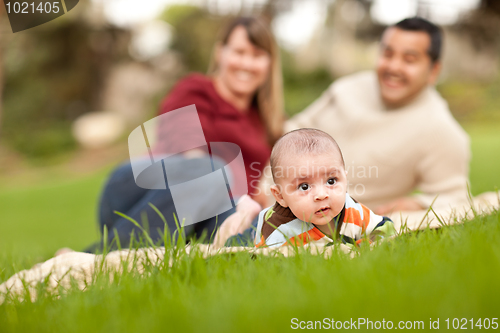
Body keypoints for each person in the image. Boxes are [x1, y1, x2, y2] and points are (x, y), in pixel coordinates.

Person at [216, 17, 471, 246]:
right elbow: (292, 131)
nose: (393, 66)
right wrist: (266, 185)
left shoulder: (440, 130)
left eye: (409, 59)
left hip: (329, 218)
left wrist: (416, 203)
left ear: (433, 70)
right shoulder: (347, 89)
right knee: (203, 186)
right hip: (268, 198)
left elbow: (456, 197)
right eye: (388, 54)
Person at [82, 16, 284, 253]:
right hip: (138, 193)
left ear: (269, 63)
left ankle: (112, 256)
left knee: (251, 236)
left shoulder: (266, 122)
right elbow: (191, 154)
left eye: (257, 55)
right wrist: (242, 201)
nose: (247, 64)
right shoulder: (196, 90)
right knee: (211, 171)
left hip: (205, 213)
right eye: (240, 52)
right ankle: (95, 257)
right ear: (220, 53)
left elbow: (258, 189)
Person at [253, 129, 395, 248]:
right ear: (281, 197)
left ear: (345, 180)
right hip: (255, 229)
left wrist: (365, 246)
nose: (321, 195)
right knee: (240, 236)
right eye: (304, 186)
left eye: (331, 181)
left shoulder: (352, 210)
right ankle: (245, 213)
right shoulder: (279, 230)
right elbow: (268, 262)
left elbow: (385, 228)